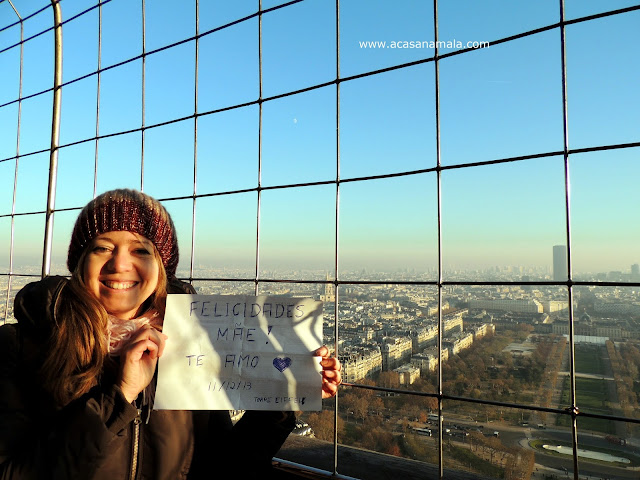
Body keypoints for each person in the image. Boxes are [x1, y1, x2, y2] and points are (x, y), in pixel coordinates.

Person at [0, 189, 341, 479]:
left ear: (162, 266)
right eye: (102, 247)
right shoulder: (19, 347)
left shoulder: (192, 346)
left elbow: (223, 469)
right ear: (78, 262)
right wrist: (119, 397)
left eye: (140, 249)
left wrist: (283, 395)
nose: (120, 264)